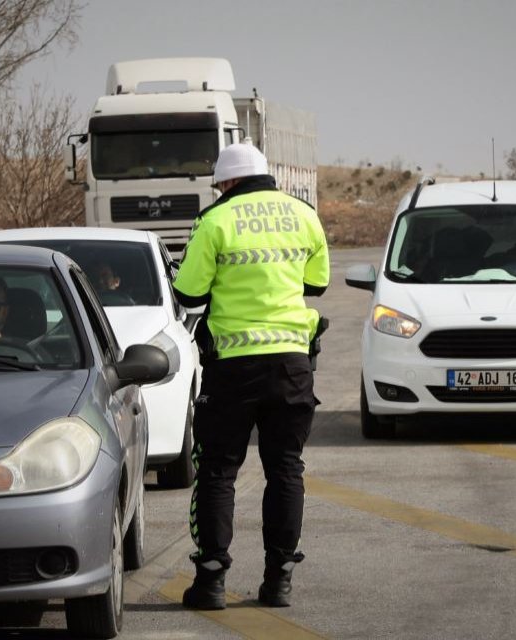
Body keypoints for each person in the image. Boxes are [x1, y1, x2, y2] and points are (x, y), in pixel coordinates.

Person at [172, 143, 330, 610]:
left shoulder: (214, 221)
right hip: (291, 366)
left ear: (226, 182)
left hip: (232, 369)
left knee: (218, 471)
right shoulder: (303, 215)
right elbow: (315, 284)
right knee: (285, 468)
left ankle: (211, 582)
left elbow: (188, 293)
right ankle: (279, 580)